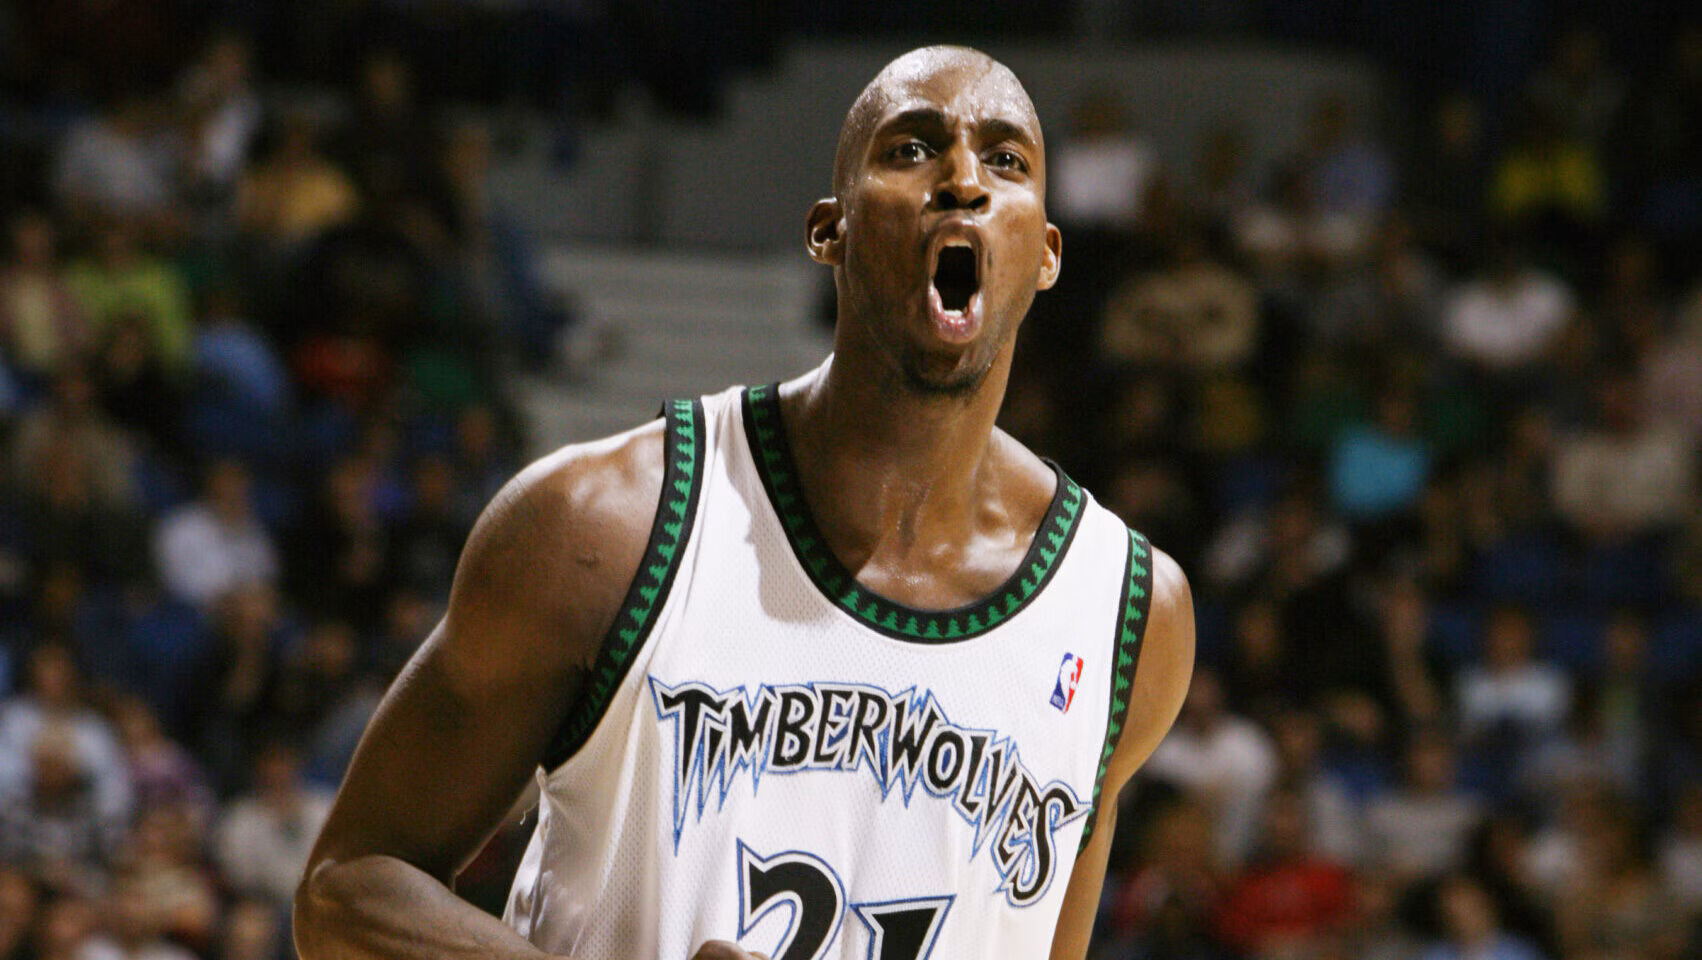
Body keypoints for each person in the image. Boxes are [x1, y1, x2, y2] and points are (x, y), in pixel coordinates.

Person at [293, 46, 1194, 960]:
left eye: (1005, 160)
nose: (963, 179)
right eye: (912, 149)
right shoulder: (604, 526)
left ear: (1046, 254)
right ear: (830, 230)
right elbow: (345, 890)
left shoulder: (1129, 615)